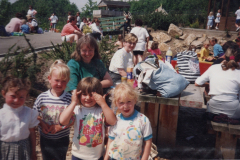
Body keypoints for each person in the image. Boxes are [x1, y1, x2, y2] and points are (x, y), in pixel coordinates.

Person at [59, 77, 117, 160]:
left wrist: (103, 104)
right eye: (84, 94)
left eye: (92, 95)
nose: (88, 98)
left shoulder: (101, 110)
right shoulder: (76, 109)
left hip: (97, 156)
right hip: (78, 155)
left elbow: (112, 122)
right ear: (78, 95)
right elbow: (63, 121)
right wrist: (73, 102)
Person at [33, 60, 75, 160]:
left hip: (62, 138)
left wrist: (61, 127)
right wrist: (42, 124)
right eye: (57, 80)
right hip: (45, 137)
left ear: (68, 81)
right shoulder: (42, 98)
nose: (60, 84)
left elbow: (73, 119)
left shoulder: (69, 98)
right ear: (49, 79)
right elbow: (35, 115)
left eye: (63, 81)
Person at [104, 83, 152, 160]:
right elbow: (110, 141)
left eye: (129, 101)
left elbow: (148, 142)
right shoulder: (115, 120)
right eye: (121, 103)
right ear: (116, 103)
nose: (125, 106)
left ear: (135, 100)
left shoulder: (143, 120)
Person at [0, 76, 39, 160]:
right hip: (4, 151)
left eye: (21, 97)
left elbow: (32, 133)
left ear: (26, 96)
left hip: (24, 150)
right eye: (13, 96)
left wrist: (33, 152)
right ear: (4, 94)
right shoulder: (1, 115)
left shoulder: (29, 113)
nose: (17, 100)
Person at [195, 48, 240, 119]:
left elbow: (197, 83)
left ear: (225, 56)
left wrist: (209, 84)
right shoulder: (238, 72)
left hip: (213, 108)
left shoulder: (214, 68)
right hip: (233, 110)